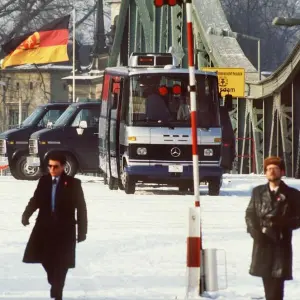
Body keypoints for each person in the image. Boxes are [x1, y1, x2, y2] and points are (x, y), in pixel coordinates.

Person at [21, 152, 87, 300]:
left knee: (62, 263)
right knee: (46, 259)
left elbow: (81, 208)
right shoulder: (43, 181)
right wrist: (26, 214)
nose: (52, 169)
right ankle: (54, 282)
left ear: (63, 167)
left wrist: (82, 231)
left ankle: (58, 291)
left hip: (65, 230)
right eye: (50, 166)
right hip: (45, 228)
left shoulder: (73, 184)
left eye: (55, 166)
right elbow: (36, 200)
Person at [245, 156, 300, 300]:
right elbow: (250, 214)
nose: (272, 172)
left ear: (282, 172)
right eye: (269, 169)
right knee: (267, 280)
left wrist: (283, 222)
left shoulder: (293, 194)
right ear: (265, 173)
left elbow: (298, 219)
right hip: (262, 241)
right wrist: (254, 231)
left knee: (277, 282)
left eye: (275, 169)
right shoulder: (258, 192)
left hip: (280, 243)